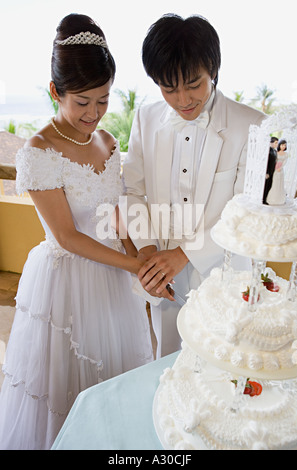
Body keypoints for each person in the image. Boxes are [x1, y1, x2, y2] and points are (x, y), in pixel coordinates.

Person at [0, 13, 153, 450]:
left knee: (117, 382)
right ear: (55, 92)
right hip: (67, 281)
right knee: (67, 389)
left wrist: (137, 257)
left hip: (112, 279)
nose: (94, 113)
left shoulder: (107, 141)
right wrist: (133, 264)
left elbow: (116, 211)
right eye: (82, 101)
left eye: (103, 100)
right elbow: (66, 236)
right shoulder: (39, 151)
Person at [122, 14, 266, 358]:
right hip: (165, 284)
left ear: (212, 70)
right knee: (169, 371)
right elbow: (132, 191)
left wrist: (184, 254)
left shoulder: (252, 126)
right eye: (169, 89)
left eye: (193, 85)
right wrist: (146, 251)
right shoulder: (144, 119)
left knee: (225, 373)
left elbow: (246, 212)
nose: (183, 99)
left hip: (226, 280)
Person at [266, 139, 288, 205]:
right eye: (282, 145)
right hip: (275, 170)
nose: (283, 146)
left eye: (285, 145)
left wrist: (280, 167)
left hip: (280, 171)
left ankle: (280, 199)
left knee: (280, 184)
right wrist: (275, 167)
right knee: (274, 183)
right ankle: (272, 198)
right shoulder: (276, 152)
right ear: (279, 145)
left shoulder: (286, 154)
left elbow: (284, 162)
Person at [263, 138, 278, 204]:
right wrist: (266, 172)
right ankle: (263, 199)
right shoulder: (268, 150)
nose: (277, 144)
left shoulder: (275, 151)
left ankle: (265, 198)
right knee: (265, 186)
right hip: (268, 172)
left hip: (272, 172)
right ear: (271, 142)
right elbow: (265, 162)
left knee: (269, 186)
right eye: (276, 143)